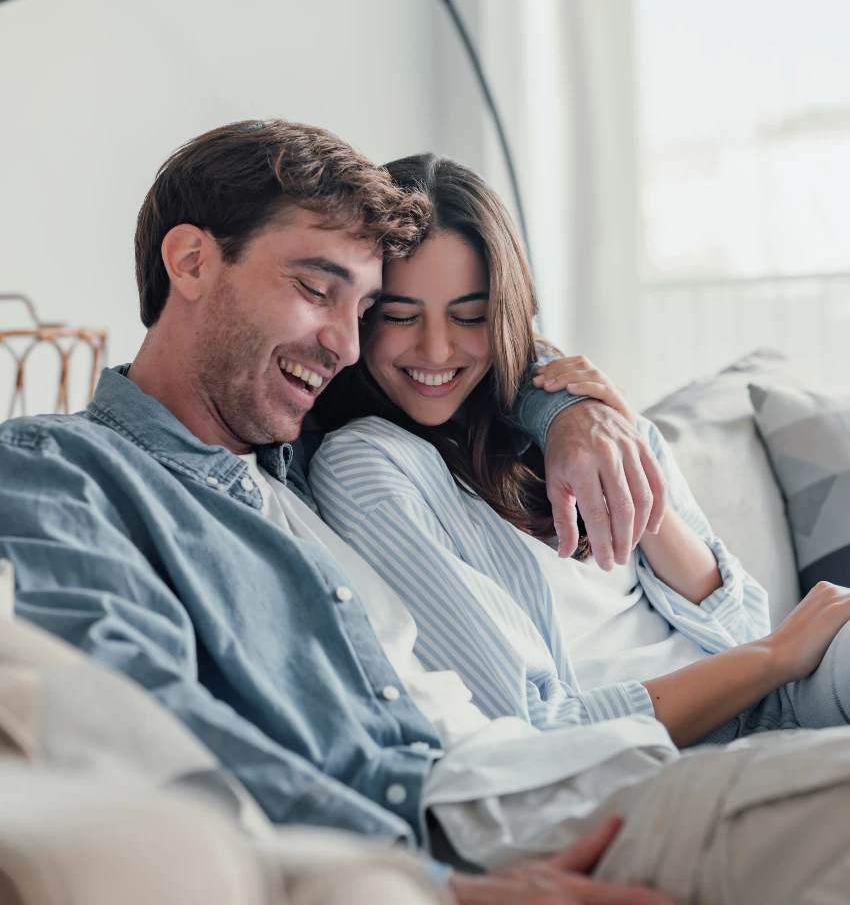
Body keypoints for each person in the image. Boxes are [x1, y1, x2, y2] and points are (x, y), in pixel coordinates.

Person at [3, 121, 850, 905]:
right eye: (317, 290)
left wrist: (563, 409)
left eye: (361, 310)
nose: (345, 345)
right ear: (190, 261)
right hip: (492, 818)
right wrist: (433, 884)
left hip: (553, 779)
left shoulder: (289, 452)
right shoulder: (65, 469)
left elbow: (472, 362)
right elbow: (139, 724)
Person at [308, 153, 850, 750]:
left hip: (784, 696)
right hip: (670, 751)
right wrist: (774, 657)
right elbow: (535, 725)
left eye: (471, 316)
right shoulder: (365, 465)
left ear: (508, 315)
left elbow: (740, 624)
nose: (436, 350)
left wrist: (618, 455)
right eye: (400, 316)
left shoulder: (577, 414)